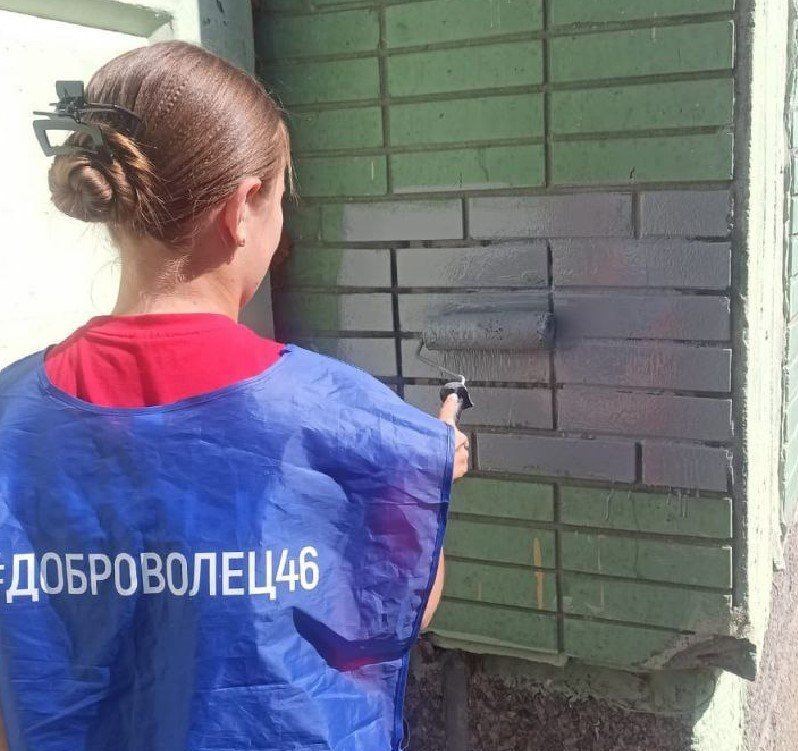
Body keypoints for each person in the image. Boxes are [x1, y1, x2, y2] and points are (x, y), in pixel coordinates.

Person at [0, 41, 468, 751]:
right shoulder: (343, 414)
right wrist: (412, 479)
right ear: (243, 208)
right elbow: (400, 609)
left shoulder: (10, 412)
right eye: (279, 199)